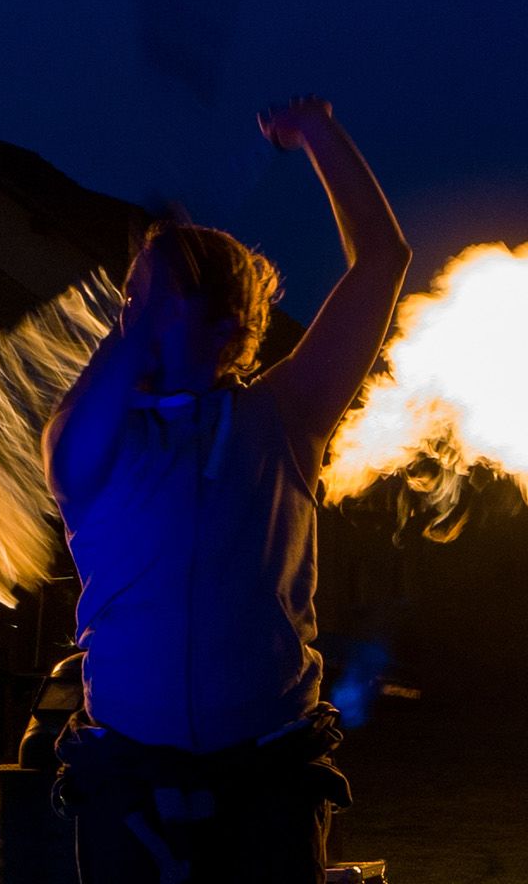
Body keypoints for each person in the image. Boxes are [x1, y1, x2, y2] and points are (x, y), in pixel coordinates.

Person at [45, 95, 410, 883]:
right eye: (132, 300)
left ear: (224, 323)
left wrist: (318, 131)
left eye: (158, 299)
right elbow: (66, 460)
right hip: (128, 778)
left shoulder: (285, 414)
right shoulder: (102, 434)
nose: (135, 312)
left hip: (268, 778)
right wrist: (151, 292)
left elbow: (383, 260)